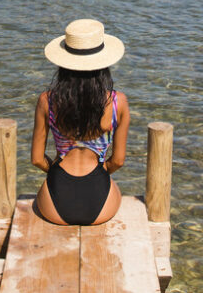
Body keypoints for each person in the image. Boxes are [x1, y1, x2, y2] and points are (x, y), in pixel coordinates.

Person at [31, 19, 130, 226]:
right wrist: (101, 173)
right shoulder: (117, 102)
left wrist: (59, 173)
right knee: (117, 191)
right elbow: (118, 161)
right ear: (104, 64)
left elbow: (37, 159)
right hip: (100, 200)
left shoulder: (47, 100)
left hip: (54, 203)